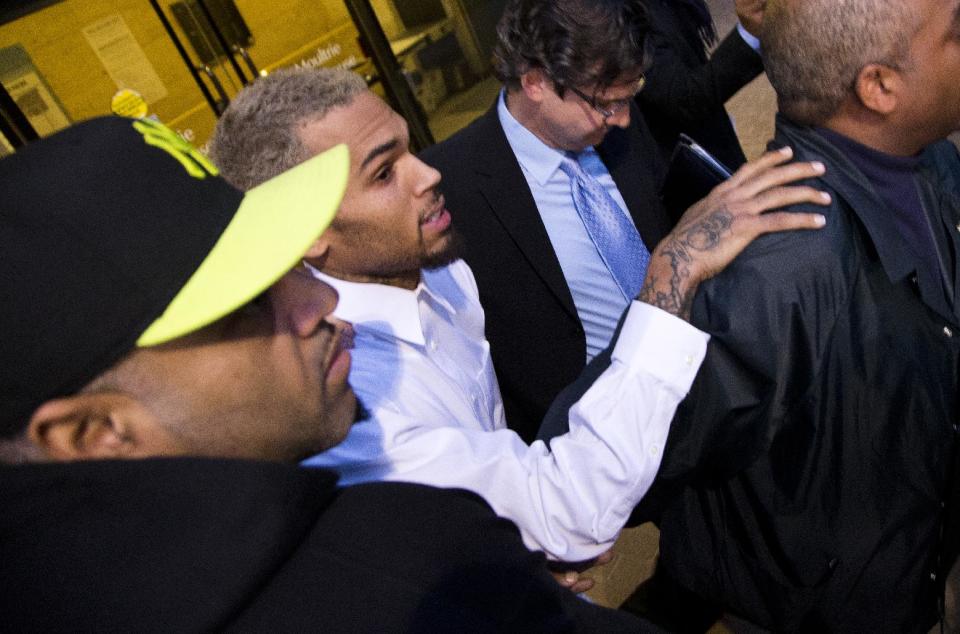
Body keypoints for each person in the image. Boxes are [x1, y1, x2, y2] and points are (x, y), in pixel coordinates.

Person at [0, 116, 661, 632]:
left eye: (285, 265)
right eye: (244, 304)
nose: (320, 302)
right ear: (93, 434)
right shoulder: (411, 575)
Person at [209, 66, 829, 571]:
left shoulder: (443, 268)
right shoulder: (351, 402)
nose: (427, 174)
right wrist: (672, 271)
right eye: (383, 172)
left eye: (407, 148)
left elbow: (496, 458)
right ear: (307, 236)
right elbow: (566, 513)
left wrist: (518, 535)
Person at [594, 0, 960, 629]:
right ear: (878, 87)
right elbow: (613, 467)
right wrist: (668, 281)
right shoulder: (778, 273)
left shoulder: (934, 160)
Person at [420, 0, 678, 441]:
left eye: (628, 97)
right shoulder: (452, 187)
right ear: (536, 81)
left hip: (688, 384)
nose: (624, 119)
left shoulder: (617, 125)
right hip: (590, 443)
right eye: (606, 104)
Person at [636, 0, 765, 169]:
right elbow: (683, 98)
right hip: (683, 164)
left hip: (711, 138)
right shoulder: (620, 14)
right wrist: (750, 34)